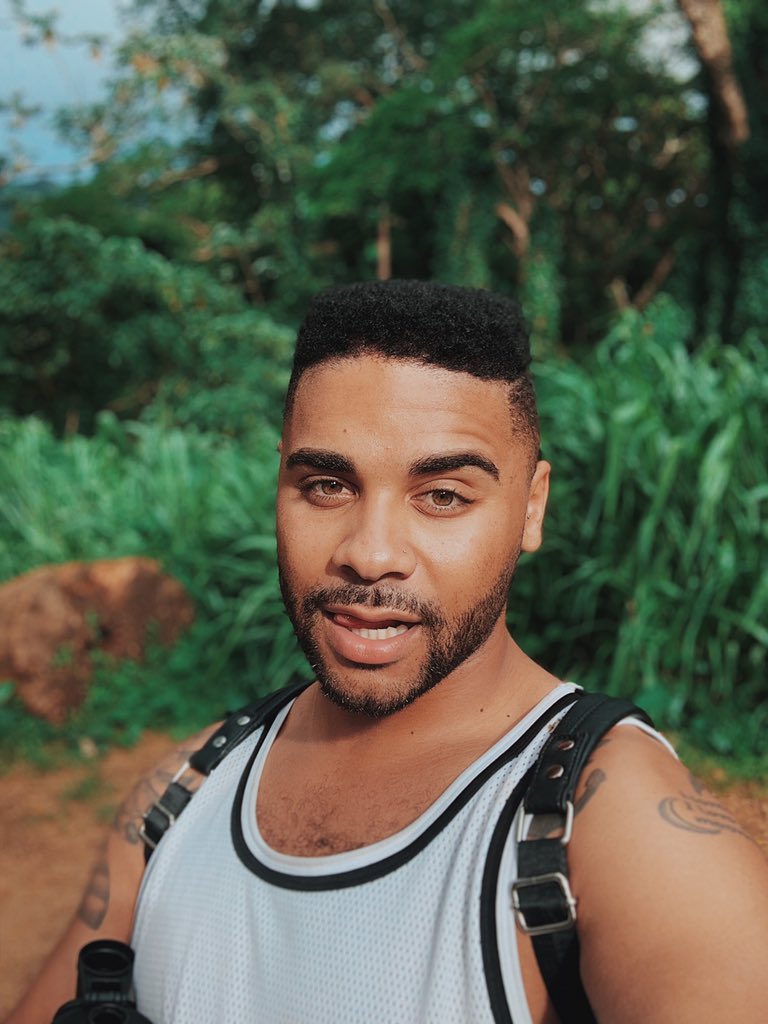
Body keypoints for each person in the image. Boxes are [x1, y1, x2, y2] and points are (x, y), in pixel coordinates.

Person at [8, 280, 768, 1024]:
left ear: (531, 507)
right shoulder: (180, 798)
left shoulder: (612, 828)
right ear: (281, 481)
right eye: (327, 485)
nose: (371, 555)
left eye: (443, 496)